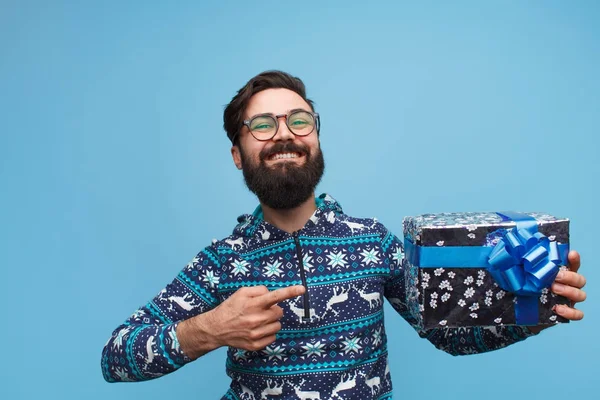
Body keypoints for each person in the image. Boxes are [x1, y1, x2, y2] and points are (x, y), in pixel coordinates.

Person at [101, 71, 587, 399]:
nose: (284, 135)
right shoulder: (221, 262)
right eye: (262, 126)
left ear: (315, 137)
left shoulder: (372, 242)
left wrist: (534, 309)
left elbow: (449, 335)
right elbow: (116, 356)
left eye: (298, 121)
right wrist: (209, 329)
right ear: (237, 153)